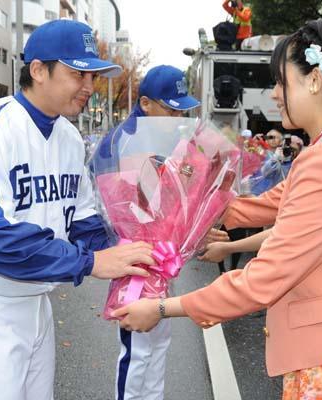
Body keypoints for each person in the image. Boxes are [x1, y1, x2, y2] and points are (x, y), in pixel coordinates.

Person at [114, 18, 322, 399]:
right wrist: (200, 210)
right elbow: (276, 203)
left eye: (281, 82)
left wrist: (162, 307)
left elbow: (264, 279)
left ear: (316, 80)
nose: (273, 94)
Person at [0, 20, 156, 400]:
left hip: (38, 301)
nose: (89, 86)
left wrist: (145, 245)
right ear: (38, 70)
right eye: (77, 73)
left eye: (92, 75)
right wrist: (91, 263)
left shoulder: (70, 138)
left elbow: (85, 220)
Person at [91, 64, 200, 400]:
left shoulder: (161, 138)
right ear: (147, 104)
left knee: (158, 343)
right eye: (170, 108)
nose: (176, 116)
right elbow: (129, 210)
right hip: (135, 259)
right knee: (137, 349)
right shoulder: (127, 141)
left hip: (158, 255)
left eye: (183, 110)